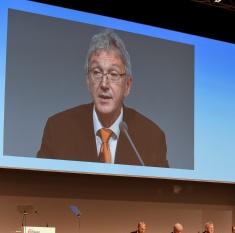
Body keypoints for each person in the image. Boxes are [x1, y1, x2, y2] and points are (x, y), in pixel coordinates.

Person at [36, 28, 169, 168]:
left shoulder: (152, 137)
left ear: (127, 86)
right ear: (88, 81)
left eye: (113, 74)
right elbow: (38, 185)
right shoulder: (59, 129)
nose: (104, 84)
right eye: (97, 72)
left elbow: (163, 189)